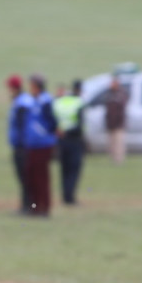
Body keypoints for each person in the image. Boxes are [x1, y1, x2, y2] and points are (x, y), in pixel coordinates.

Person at [20, 74, 57, 215]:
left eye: (32, 85)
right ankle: (34, 207)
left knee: (42, 178)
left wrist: (45, 135)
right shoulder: (33, 101)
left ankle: (44, 208)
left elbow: (52, 123)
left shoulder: (46, 101)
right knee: (32, 178)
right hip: (32, 145)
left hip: (43, 145)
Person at [51, 78, 86, 206]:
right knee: (74, 170)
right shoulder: (79, 102)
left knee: (64, 170)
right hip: (74, 140)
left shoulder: (60, 101)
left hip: (61, 140)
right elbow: (80, 125)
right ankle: (70, 198)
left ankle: (65, 196)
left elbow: (53, 118)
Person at [5, 75, 30, 213]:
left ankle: (28, 206)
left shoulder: (22, 103)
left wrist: (22, 144)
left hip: (22, 147)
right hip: (19, 145)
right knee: (23, 178)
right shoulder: (20, 101)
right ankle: (25, 205)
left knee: (25, 178)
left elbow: (22, 126)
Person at [103, 75, 129, 163]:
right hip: (110, 123)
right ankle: (112, 159)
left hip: (119, 123)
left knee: (119, 143)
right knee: (111, 143)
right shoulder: (109, 93)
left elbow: (122, 106)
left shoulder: (121, 94)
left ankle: (119, 160)